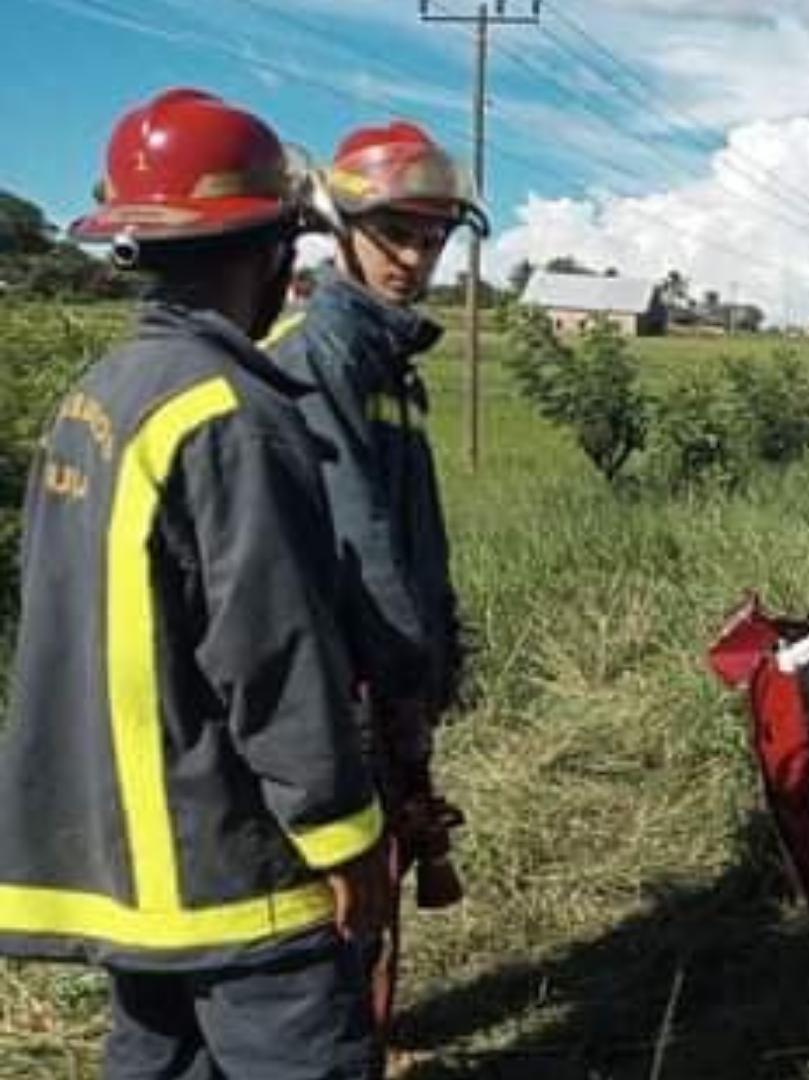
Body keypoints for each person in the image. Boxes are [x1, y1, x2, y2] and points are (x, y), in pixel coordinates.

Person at [0, 88, 389, 1078]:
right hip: (231, 862)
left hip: (123, 862)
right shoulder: (232, 416)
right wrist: (344, 839)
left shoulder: (98, 397)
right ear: (275, 251)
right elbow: (274, 655)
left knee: (158, 1058)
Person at [266, 119, 487, 1035]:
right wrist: (403, 673)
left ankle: (370, 1035)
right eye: (396, 231)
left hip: (390, 667)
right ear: (340, 228)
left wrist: (439, 639)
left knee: (382, 875)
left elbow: (412, 528)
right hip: (349, 674)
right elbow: (358, 538)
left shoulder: (388, 354)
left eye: (433, 236)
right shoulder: (323, 353)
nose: (415, 255)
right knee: (341, 899)